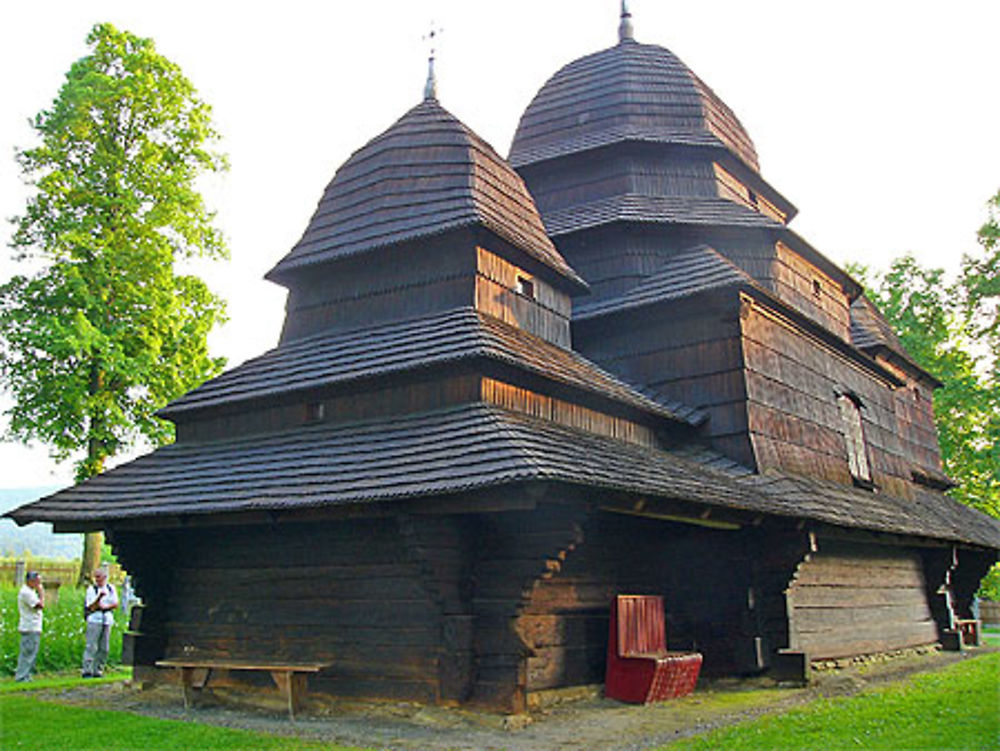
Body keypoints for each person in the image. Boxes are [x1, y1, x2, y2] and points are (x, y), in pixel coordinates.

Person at [82, 567, 118, 678]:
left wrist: (105, 606)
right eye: (96, 577)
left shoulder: (111, 588)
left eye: (99, 577)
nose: (97, 579)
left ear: (105, 577)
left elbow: (115, 604)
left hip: (107, 620)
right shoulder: (91, 590)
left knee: (104, 647)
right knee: (91, 645)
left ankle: (98, 670)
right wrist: (99, 598)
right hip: (94, 620)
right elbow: (91, 606)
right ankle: (87, 670)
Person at [16, 571, 44, 682]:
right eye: (37, 581)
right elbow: (39, 605)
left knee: (32, 652)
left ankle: (26, 675)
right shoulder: (26, 593)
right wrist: (41, 593)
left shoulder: (31, 592)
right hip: (29, 626)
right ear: (31, 581)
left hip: (34, 626)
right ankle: (22, 676)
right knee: (27, 652)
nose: (39, 584)